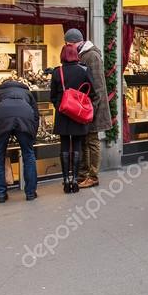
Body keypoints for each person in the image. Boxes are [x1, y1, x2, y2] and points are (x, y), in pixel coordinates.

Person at [63, 29, 112, 188]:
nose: (68, 47)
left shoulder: (91, 56)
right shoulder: (84, 54)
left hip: (92, 108)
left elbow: (98, 86)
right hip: (86, 107)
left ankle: (93, 176)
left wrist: (91, 109)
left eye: (69, 44)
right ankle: (84, 174)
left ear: (77, 42)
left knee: (92, 141)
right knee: (85, 140)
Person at [0, 77, 40, 203]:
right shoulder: (27, 92)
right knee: (28, 154)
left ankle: (0, 194)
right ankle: (30, 192)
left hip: (1, 119)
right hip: (25, 117)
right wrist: (32, 134)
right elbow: (36, 115)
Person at [50, 43, 93, 194]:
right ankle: (75, 180)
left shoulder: (57, 72)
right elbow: (92, 92)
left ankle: (66, 180)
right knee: (76, 145)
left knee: (64, 145)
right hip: (78, 113)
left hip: (63, 113)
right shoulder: (84, 70)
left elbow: (53, 96)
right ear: (76, 54)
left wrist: (61, 107)